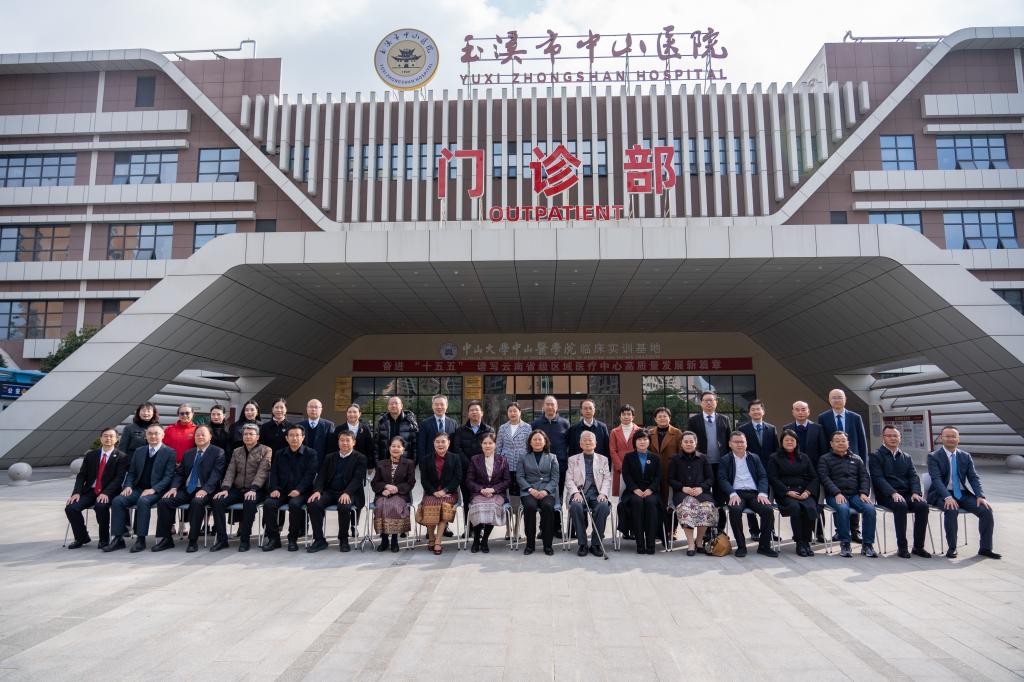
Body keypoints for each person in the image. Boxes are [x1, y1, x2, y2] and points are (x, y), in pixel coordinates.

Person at [927, 426, 1000, 559]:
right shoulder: (933, 456)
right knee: (951, 509)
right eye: (947, 436)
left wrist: (980, 496)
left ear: (958, 439)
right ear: (941, 438)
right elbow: (936, 479)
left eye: (953, 436)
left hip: (962, 494)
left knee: (986, 510)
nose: (950, 439)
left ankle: (985, 548)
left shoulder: (965, 456)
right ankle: (952, 548)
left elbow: (973, 477)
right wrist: (947, 497)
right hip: (942, 494)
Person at [153, 425, 227, 553]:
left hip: (206, 490)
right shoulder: (188, 453)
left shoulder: (218, 452)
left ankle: (193, 540)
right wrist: (174, 488)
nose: (199, 437)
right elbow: (180, 474)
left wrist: (205, 489)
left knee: (197, 502)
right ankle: (166, 539)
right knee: (164, 501)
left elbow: (216, 474)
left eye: (203, 434)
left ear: (210, 436)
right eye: (197, 434)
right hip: (187, 489)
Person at [104, 424, 177, 553]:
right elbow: (131, 472)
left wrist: (154, 489)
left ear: (163, 435)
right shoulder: (139, 451)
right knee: (118, 501)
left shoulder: (169, 452)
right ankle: (118, 538)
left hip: (157, 490)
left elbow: (169, 476)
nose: (153, 436)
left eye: (156, 433)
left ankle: (141, 539)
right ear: (145, 436)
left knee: (143, 502)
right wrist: (128, 486)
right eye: (150, 434)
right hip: (138, 489)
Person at [870, 426, 931, 559]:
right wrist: (892, 492)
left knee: (923, 506)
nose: (893, 438)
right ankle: (902, 547)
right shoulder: (876, 456)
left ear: (900, 438)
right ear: (883, 438)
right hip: (887, 495)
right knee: (901, 505)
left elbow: (913, 476)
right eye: (889, 436)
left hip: (907, 494)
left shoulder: (906, 457)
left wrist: (916, 492)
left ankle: (918, 547)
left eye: (895, 436)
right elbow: (878, 478)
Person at [64, 427, 129, 549]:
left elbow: (119, 479)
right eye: (105, 436)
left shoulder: (122, 457)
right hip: (90, 491)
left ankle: (104, 539)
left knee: (101, 506)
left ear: (116, 439)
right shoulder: (91, 455)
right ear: (101, 438)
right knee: (71, 508)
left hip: (110, 492)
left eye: (111, 436)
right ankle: (82, 537)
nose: (108, 438)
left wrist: (106, 493)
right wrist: (76, 492)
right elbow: (82, 475)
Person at [211, 423, 272, 552]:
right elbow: (230, 471)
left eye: (251, 434)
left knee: (249, 501)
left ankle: (245, 540)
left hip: (257, 490)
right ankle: (222, 540)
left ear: (258, 436)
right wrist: (225, 489)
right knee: (217, 501)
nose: (248, 436)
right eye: (245, 434)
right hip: (238, 489)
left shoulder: (266, 450)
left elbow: (263, 472)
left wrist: (254, 488)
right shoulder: (237, 451)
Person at [718, 431, 778, 558]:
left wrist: (762, 493)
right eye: (736, 442)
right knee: (735, 510)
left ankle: (764, 546)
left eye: (742, 442)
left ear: (746, 444)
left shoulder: (754, 458)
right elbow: (722, 479)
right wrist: (732, 493)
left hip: (754, 493)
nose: (739, 444)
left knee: (768, 510)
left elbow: (763, 476)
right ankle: (741, 546)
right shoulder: (725, 459)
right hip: (736, 493)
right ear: (730, 444)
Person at [306, 430, 368, 553]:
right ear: (338, 442)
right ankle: (319, 540)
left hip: (350, 492)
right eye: (342, 440)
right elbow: (321, 476)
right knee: (313, 504)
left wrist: (347, 492)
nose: (344, 443)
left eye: (347, 440)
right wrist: (317, 490)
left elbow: (357, 479)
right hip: (330, 492)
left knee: (344, 506)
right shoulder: (330, 457)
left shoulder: (360, 458)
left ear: (354, 442)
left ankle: (343, 539)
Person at [818, 431, 877, 558]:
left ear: (848, 443)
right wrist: (836, 493)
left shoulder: (857, 459)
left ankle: (867, 544)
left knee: (870, 509)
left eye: (843, 440)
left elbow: (864, 477)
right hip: (835, 495)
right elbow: (824, 478)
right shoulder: (825, 459)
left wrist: (864, 493)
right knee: (843, 509)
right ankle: (845, 543)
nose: (840, 443)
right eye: (837, 441)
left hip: (856, 495)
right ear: (831, 444)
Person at [261, 425, 317, 552]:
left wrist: (299, 490)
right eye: (291, 435)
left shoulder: (311, 453)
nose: (294, 438)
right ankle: (274, 539)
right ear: (286, 438)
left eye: (297, 435)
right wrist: (274, 488)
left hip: (302, 491)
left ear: (303, 437)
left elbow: (310, 475)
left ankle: (292, 539)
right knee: (269, 504)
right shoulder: (279, 453)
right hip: (281, 490)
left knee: (295, 505)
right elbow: (274, 473)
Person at [767, 429, 818, 557]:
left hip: (803, 491)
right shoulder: (774, 457)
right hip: (785, 493)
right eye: (786, 440)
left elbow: (814, 477)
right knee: (795, 507)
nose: (789, 442)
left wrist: (808, 491)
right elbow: (773, 478)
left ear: (796, 442)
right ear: (781, 442)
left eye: (792, 440)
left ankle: (806, 542)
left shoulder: (804, 457)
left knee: (811, 508)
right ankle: (799, 542)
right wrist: (787, 491)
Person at [784, 400, 830, 542]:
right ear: (792, 412)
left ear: (809, 411)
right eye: (797, 409)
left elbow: (823, 452)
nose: (800, 412)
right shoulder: (787, 428)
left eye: (803, 409)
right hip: (794, 475)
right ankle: (799, 534)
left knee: (816, 504)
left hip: (813, 474)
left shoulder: (818, 428)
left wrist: (821, 472)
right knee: (796, 504)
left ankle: (819, 532)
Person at [686, 390, 731, 535]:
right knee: (704, 497)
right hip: (702, 464)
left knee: (720, 496)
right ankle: (706, 531)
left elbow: (729, 441)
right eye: (706, 400)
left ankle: (719, 530)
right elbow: (690, 442)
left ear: (716, 402)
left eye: (712, 400)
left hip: (721, 463)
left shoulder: (724, 419)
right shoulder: (694, 420)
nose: (709, 402)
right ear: (701, 403)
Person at [667, 431, 718, 556]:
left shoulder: (703, 458)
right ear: (681, 443)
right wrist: (682, 488)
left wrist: (702, 488)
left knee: (707, 508)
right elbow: (670, 479)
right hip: (682, 494)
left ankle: (699, 541)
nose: (689, 444)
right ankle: (690, 543)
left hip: (702, 493)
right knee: (687, 508)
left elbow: (710, 478)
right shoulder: (675, 459)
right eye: (686, 442)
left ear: (696, 443)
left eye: (691, 441)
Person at [737, 400, 779, 541]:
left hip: (768, 470)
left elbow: (776, 450)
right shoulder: (743, 429)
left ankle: (769, 531)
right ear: (749, 413)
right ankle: (754, 531)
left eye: (758, 409)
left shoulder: (771, 428)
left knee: (766, 501)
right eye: (753, 409)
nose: (756, 411)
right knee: (750, 498)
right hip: (749, 470)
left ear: (763, 412)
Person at [565, 431, 611, 557]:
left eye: (590, 440)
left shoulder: (603, 459)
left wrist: (603, 494)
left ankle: (596, 544)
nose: (587, 442)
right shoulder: (573, 459)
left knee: (603, 506)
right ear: (580, 444)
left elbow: (607, 479)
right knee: (575, 506)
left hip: (597, 494)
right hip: (580, 493)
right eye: (584, 440)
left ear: (595, 443)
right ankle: (582, 543)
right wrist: (575, 493)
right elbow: (569, 479)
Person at [530, 396, 570, 538]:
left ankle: (557, 527)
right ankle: (543, 528)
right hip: (541, 468)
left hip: (560, 467)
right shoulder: (535, 424)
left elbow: (568, 445)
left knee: (557, 497)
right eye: (547, 404)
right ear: (543, 406)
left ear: (557, 407)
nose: (550, 407)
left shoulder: (565, 423)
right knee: (543, 497)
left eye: (552, 404)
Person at [418, 432, 463, 555]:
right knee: (429, 505)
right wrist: (434, 492)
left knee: (444, 508)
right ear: (433, 443)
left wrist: (445, 490)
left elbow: (458, 478)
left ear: (449, 443)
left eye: (443, 441)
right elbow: (424, 480)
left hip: (449, 493)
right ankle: (431, 538)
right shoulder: (426, 459)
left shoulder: (455, 458)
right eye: (437, 442)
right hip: (431, 493)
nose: (440, 444)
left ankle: (438, 541)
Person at [517, 429, 560, 556]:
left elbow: (555, 478)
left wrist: (546, 490)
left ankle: (548, 545)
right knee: (530, 507)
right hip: (529, 491)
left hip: (547, 491)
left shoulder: (552, 457)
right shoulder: (523, 457)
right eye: (534, 439)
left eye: (540, 439)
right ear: (530, 442)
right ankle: (530, 545)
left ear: (545, 441)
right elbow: (520, 477)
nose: (537, 442)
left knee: (547, 507)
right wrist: (530, 489)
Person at [466, 432, 510, 553]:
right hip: (479, 493)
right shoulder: (475, 459)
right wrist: (481, 489)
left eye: (490, 443)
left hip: (497, 493)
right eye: (485, 443)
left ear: (495, 444)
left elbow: (507, 481)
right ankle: (476, 539)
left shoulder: (502, 460)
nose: (488, 445)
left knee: (492, 507)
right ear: (481, 445)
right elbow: (469, 480)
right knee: (478, 506)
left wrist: (493, 489)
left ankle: (485, 539)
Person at [371, 436, 416, 552]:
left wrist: (396, 488)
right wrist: (385, 487)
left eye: (398, 446)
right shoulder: (381, 463)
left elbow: (411, 482)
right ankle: (384, 540)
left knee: (394, 506)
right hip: (383, 494)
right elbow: (375, 482)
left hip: (401, 494)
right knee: (380, 506)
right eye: (393, 446)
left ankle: (395, 540)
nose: (395, 448)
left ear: (403, 449)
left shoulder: (409, 463)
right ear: (389, 448)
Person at [621, 430, 662, 554]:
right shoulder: (628, 457)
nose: (642, 442)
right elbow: (626, 475)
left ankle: (650, 543)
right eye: (639, 439)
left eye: (645, 439)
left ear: (649, 441)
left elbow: (658, 476)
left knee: (650, 503)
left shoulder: (655, 458)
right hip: (633, 491)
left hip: (651, 492)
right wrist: (635, 489)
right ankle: (640, 543)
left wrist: (650, 489)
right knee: (637, 502)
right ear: (635, 442)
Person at [648, 406, 682, 545]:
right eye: (659, 416)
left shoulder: (677, 433)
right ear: (655, 419)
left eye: (665, 416)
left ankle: (672, 530)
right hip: (654, 473)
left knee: (671, 503)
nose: (662, 418)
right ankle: (658, 530)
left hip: (671, 473)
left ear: (670, 418)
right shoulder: (649, 433)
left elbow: (681, 454)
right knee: (657, 502)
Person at [495, 401, 530, 500]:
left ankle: (521, 506)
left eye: (515, 411)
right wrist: (498, 462)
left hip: (522, 460)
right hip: (506, 461)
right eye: (510, 411)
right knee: (507, 486)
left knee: (521, 485)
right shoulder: (503, 428)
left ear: (520, 412)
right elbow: (498, 446)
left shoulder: (527, 427)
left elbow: (529, 446)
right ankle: (508, 505)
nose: (512, 413)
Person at [416, 394, 458, 464]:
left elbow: (455, 445)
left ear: (446, 406)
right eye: (436, 404)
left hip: (449, 463)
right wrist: (423, 463)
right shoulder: (425, 424)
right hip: (430, 463)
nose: (439, 407)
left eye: (442, 404)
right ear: (432, 406)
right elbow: (421, 446)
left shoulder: (453, 423)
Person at [375, 396, 418, 461]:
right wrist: (377, 463)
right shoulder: (382, 422)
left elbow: (415, 445)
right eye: (391, 404)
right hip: (385, 462)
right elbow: (376, 445)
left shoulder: (410, 422)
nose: (393, 405)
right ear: (388, 407)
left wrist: (413, 463)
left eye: (396, 403)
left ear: (401, 406)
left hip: (405, 462)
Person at [609, 404, 639, 496]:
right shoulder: (614, 432)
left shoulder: (639, 431)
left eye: (629, 414)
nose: (626, 416)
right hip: (620, 468)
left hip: (636, 466)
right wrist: (621, 467)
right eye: (623, 414)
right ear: (620, 416)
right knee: (621, 493)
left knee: (636, 492)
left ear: (633, 417)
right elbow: (612, 450)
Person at [299, 398, 336, 468]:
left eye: (316, 407)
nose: (313, 409)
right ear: (307, 409)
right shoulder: (299, 425)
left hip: (321, 465)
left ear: (321, 410)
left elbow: (331, 448)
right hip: (302, 465)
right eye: (311, 407)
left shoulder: (329, 425)